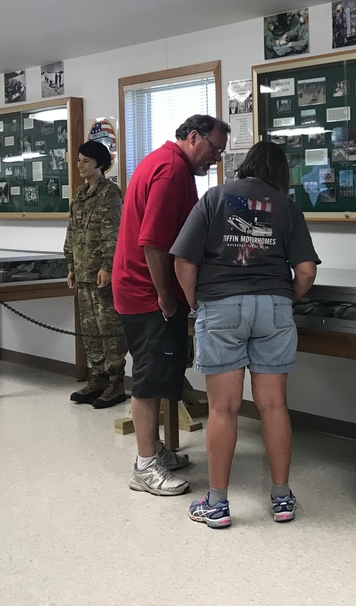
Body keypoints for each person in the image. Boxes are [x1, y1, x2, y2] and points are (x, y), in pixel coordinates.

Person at [172, 141, 319, 528]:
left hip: (221, 304)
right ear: (281, 174)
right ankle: (282, 499)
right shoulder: (287, 207)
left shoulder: (214, 198)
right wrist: (285, 296)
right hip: (273, 308)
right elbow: (305, 272)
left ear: (246, 166)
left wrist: (195, 303)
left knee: (224, 409)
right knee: (274, 407)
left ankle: (217, 505)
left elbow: (184, 260)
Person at [113, 114, 231, 496]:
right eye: (213, 150)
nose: (215, 159)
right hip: (146, 293)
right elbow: (152, 242)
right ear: (193, 137)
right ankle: (144, 466)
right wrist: (165, 296)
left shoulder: (166, 163)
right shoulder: (170, 171)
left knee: (163, 373)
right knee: (149, 379)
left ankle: (155, 449)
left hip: (145, 290)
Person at [64, 140, 128, 409]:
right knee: (90, 329)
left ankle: (116, 380)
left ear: (99, 164)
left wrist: (107, 267)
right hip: (82, 271)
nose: (80, 166)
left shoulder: (110, 193)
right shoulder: (80, 195)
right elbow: (72, 232)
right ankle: (98, 375)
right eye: (78, 160)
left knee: (109, 326)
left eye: (85, 162)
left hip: (101, 273)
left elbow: (114, 233)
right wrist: (70, 266)